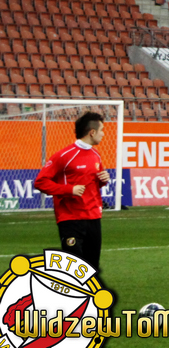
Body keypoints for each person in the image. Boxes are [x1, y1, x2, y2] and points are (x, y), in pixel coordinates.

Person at [33, 112, 110, 269]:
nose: (103, 134)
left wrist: (103, 180)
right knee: (74, 268)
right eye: (101, 130)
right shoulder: (64, 156)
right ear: (92, 132)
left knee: (91, 267)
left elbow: (92, 184)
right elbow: (40, 182)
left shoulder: (96, 154)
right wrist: (69, 189)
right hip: (71, 218)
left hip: (93, 218)